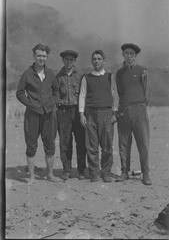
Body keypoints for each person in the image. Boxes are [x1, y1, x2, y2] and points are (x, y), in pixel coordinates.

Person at [16, 43, 60, 185]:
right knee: (31, 145)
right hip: (32, 115)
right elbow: (19, 92)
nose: (41, 58)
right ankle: (32, 177)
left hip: (49, 114)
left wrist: (52, 103)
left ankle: (50, 174)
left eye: (44, 56)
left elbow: (56, 91)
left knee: (50, 144)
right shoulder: (27, 74)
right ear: (34, 56)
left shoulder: (51, 73)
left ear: (47, 57)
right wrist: (30, 103)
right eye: (39, 55)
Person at [79, 50, 118, 182]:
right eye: (94, 59)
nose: (96, 61)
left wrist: (114, 113)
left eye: (99, 59)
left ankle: (106, 172)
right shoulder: (86, 78)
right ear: (92, 61)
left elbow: (114, 95)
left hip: (106, 113)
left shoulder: (109, 77)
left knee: (107, 145)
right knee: (91, 145)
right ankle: (94, 173)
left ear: (104, 61)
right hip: (90, 114)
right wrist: (81, 114)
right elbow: (82, 95)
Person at [115, 43, 152, 185]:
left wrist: (140, 107)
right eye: (126, 53)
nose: (129, 56)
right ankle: (124, 171)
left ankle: (146, 173)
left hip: (139, 110)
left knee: (143, 143)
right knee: (123, 143)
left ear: (135, 56)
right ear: (123, 55)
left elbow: (146, 93)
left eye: (132, 53)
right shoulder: (119, 73)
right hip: (124, 110)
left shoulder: (142, 71)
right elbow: (119, 92)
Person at [56, 50, 86, 181]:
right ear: (63, 60)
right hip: (63, 113)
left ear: (74, 61)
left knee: (81, 142)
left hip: (78, 111)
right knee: (65, 142)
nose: (69, 62)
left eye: (71, 60)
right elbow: (55, 95)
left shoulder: (81, 75)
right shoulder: (57, 77)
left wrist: (83, 113)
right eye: (66, 59)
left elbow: (85, 95)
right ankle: (67, 170)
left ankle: (81, 170)